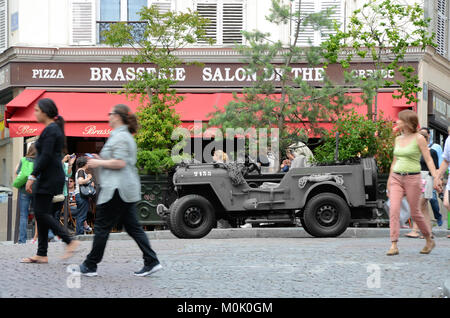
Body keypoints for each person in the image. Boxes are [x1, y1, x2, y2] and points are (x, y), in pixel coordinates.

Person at [77, 104, 161, 277]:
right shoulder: (120, 135)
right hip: (121, 188)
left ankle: (90, 265)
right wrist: (100, 159)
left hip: (117, 188)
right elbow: (116, 160)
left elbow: (120, 162)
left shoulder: (121, 137)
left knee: (101, 227)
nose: (108, 116)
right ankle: (151, 261)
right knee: (132, 227)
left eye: (110, 113)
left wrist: (98, 163)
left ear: (118, 116)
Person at [21, 98, 79, 263]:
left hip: (49, 177)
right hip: (50, 176)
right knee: (42, 214)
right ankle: (42, 254)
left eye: (37, 110)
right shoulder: (52, 129)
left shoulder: (51, 130)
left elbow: (45, 156)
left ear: (45, 112)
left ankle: (69, 241)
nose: (35, 113)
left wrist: (32, 176)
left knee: (41, 213)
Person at [386, 110, 436, 256]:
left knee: (415, 213)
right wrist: (389, 179)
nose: (397, 121)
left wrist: (436, 177)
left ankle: (428, 239)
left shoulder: (419, 138)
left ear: (407, 122)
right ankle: (394, 244)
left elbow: (428, 159)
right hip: (396, 177)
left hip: (413, 178)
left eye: (399, 119)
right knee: (394, 209)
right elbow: (394, 161)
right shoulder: (398, 139)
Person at [404, 129, 439, 239]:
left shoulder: (431, 151)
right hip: (418, 178)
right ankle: (428, 232)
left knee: (419, 205)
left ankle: (416, 230)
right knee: (423, 207)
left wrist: (437, 181)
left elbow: (436, 168)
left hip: (427, 179)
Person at [420, 127, 443, 227]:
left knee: (431, 199)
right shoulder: (418, 150)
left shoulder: (435, 148)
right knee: (422, 204)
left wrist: (438, 179)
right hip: (420, 178)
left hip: (429, 177)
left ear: (429, 135)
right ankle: (425, 230)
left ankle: (437, 217)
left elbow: (440, 164)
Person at [14, 143, 36, 244]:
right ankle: (38, 238)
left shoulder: (23, 160)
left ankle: (22, 240)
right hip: (36, 190)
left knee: (23, 215)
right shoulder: (40, 161)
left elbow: (17, 173)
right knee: (39, 215)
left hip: (23, 190)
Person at [74, 157, 94, 235]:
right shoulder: (81, 171)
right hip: (81, 195)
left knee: (81, 215)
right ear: (85, 163)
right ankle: (79, 234)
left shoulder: (80, 171)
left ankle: (80, 233)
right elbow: (80, 181)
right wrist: (89, 178)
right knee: (81, 216)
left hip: (80, 195)